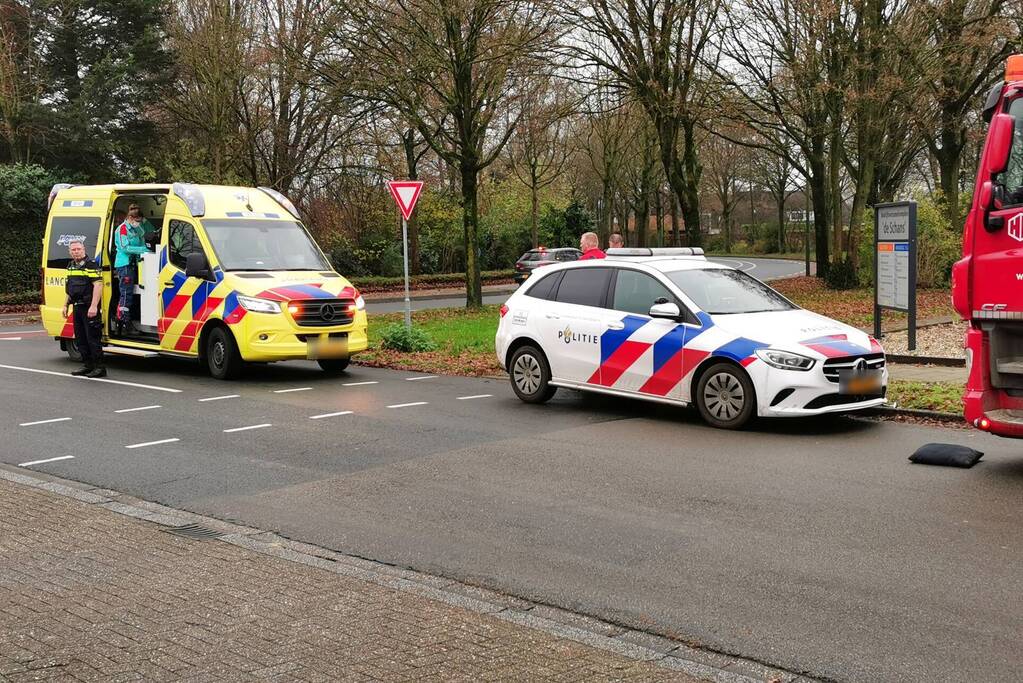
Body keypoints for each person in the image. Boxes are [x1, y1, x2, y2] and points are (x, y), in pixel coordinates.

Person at [63, 240, 105, 377]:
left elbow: (98, 286)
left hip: (89, 307)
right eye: (73, 250)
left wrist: (94, 306)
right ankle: (88, 365)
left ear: (84, 249)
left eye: (78, 249)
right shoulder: (71, 266)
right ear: (70, 251)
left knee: (92, 338)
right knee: (81, 339)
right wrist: (65, 305)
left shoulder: (91, 264)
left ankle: (99, 368)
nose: (76, 252)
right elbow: (70, 289)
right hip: (77, 306)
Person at [113, 205, 151, 335]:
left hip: (136, 263)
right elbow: (125, 247)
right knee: (126, 293)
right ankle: (124, 323)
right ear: (130, 218)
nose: (138, 223)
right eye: (137, 221)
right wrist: (144, 250)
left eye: (140, 221)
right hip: (124, 264)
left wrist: (144, 222)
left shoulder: (137, 227)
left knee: (133, 293)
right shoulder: (122, 229)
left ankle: (126, 321)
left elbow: (145, 236)